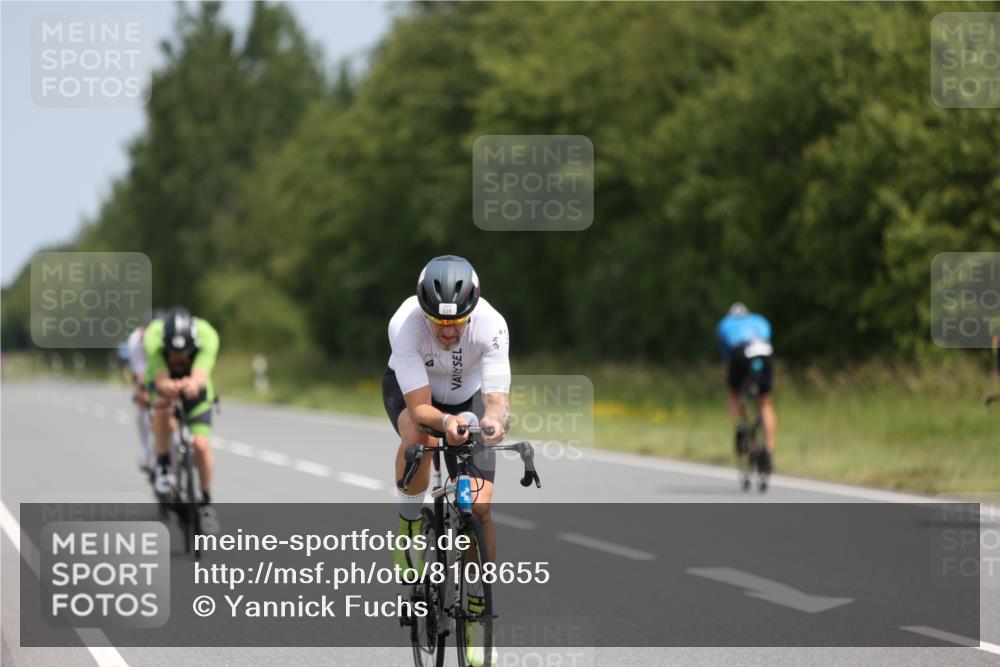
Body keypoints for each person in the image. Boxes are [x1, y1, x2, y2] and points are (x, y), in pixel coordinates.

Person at [383, 255, 509, 667]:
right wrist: (446, 421)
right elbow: (420, 408)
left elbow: (496, 402)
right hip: (416, 397)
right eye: (438, 321)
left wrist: (492, 424)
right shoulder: (405, 325)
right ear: (423, 310)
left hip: (468, 397)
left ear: (473, 311)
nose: (447, 330)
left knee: (481, 506)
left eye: (456, 323)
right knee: (417, 436)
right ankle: (409, 521)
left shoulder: (492, 325)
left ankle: (476, 608)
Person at [144, 306, 221, 533]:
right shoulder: (154, 337)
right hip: (165, 386)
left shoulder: (208, 335)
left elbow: (199, 376)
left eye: (184, 353)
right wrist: (168, 386)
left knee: (200, 445)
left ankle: (206, 502)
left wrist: (192, 384)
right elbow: (160, 378)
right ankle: (164, 462)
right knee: (160, 407)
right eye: (172, 353)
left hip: (195, 388)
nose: (178, 358)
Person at [716, 302, 776, 474]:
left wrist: (731, 383)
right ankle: (769, 452)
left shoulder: (725, 324)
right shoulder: (760, 320)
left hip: (740, 352)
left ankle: (741, 426)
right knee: (766, 402)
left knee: (733, 394)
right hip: (764, 353)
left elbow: (729, 359)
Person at [125, 309, 164, 471]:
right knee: (142, 404)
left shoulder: (168, 337)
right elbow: (140, 373)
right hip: (144, 371)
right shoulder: (135, 340)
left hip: (163, 370)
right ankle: (146, 450)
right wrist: (144, 392)